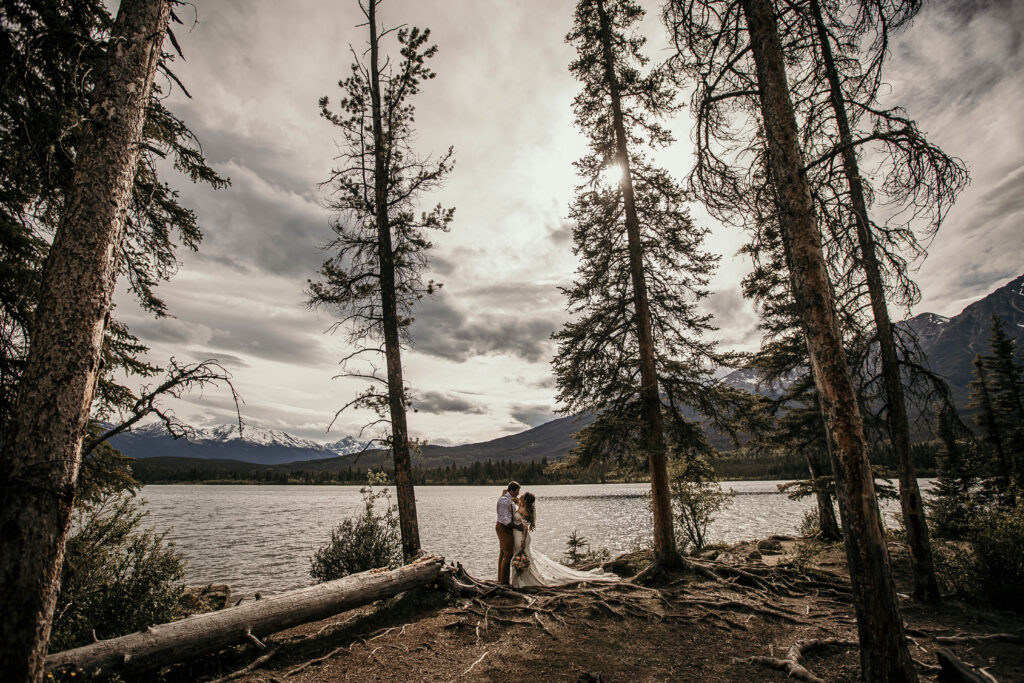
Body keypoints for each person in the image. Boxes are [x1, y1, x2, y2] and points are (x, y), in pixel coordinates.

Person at [510, 491, 618, 588]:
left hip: (522, 537)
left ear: (525, 500)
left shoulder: (524, 511)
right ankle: (520, 580)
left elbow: (525, 528)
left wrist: (523, 540)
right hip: (518, 536)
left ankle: (523, 581)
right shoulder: (523, 507)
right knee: (522, 557)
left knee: (522, 557)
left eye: (522, 496)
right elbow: (517, 505)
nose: (520, 496)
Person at [495, 481, 521, 584]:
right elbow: (504, 519)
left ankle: (501, 580)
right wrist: (517, 527)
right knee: (508, 554)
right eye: (517, 491)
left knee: (503, 553)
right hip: (503, 527)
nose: (518, 494)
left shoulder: (510, 499)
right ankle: (504, 582)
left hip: (507, 527)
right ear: (512, 491)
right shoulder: (504, 501)